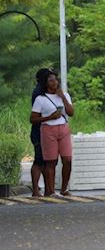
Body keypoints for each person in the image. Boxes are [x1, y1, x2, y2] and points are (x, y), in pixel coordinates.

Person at [30, 69, 75, 197]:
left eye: (56, 79)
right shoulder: (40, 98)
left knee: (67, 159)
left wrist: (63, 98)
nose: (54, 82)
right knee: (51, 161)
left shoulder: (64, 95)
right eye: (51, 80)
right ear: (45, 83)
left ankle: (64, 188)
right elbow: (33, 119)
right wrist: (49, 117)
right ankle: (50, 191)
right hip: (48, 129)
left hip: (64, 128)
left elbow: (71, 113)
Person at [28, 67, 51, 198]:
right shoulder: (39, 93)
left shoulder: (43, 91)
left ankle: (48, 189)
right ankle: (35, 190)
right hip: (39, 131)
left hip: (45, 130)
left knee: (46, 160)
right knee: (39, 161)